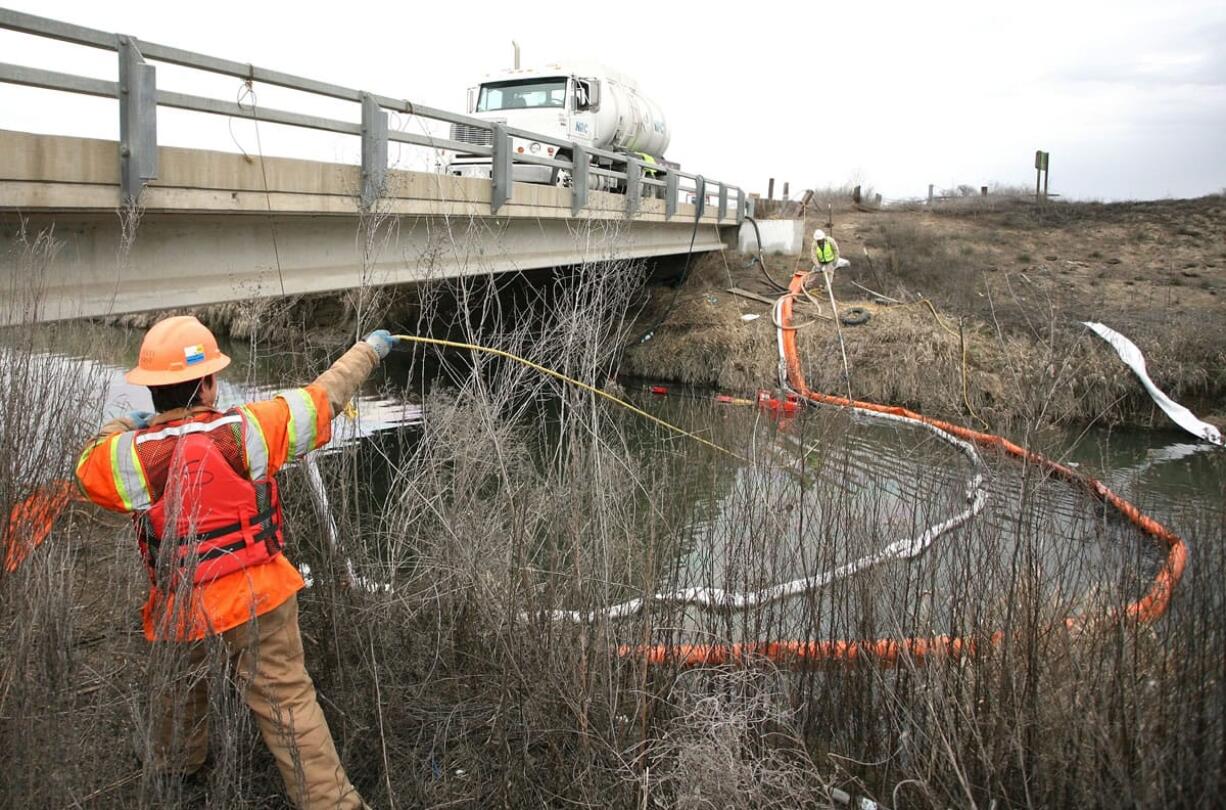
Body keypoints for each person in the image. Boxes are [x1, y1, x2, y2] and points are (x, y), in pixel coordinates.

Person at [75, 315, 399, 809]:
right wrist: (369, 351)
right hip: (259, 594)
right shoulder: (248, 429)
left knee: (180, 685)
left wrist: (122, 426)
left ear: (153, 392)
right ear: (208, 384)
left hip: (183, 604)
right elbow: (324, 397)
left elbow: (87, 471)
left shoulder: (130, 457)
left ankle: (174, 765)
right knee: (289, 703)